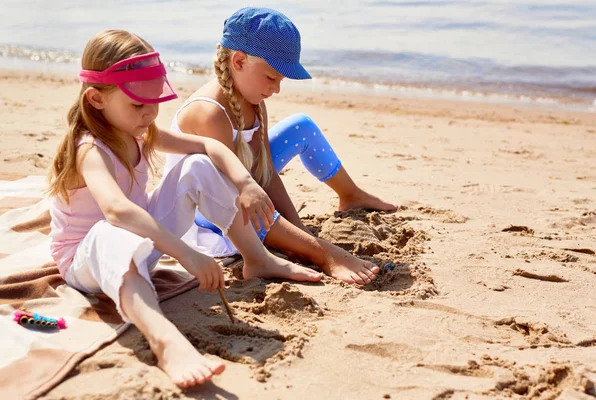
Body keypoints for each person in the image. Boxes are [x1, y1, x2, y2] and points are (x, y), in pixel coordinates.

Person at [47, 29, 322, 389]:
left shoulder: (142, 130)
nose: (150, 114)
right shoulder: (90, 148)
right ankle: (165, 340)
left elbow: (210, 147)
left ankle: (257, 257)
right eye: (138, 105)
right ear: (97, 99)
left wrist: (246, 183)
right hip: (89, 261)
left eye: (154, 102)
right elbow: (116, 211)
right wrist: (185, 253)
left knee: (197, 166)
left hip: (144, 240)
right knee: (108, 233)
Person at [164, 7, 397, 285]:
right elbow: (232, 201)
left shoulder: (254, 102)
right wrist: (321, 251)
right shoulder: (209, 113)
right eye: (271, 77)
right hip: (211, 212)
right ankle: (319, 254)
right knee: (255, 209)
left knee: (301, 125)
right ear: (238, 61)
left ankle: (351, 195)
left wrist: (300, 233)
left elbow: (267, 175)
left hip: (244, 186)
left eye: (281, 80)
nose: (277, 89)